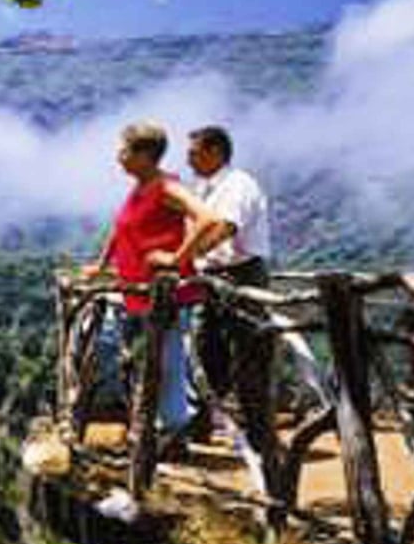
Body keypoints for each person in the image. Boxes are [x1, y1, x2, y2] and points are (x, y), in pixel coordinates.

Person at [87, 121, 225, 456]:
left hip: (164, 295)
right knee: (119, 350)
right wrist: (102, 265)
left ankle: (174, 433)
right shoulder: (139, 188)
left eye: (124, 150)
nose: (118, 157)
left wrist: (177, 260)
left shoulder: (165, 187)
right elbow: (121, 228)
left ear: (145, 154)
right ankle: (156, 423)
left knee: (168, 363)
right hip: (135, 291)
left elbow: (209, 219)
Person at [187, 125, 277, 483]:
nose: (189, 158)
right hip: (213, 277)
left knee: (250, 356)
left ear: (215, 153)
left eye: (194, 152)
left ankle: (260, 440)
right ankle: (200, 427)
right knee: (206, 350)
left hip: (242, 276)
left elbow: (225, 228)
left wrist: (183, 257)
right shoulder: (205, 188)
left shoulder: (238, 185)